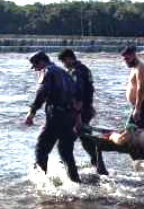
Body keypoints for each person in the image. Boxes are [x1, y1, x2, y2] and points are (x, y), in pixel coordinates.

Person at [24, 51, 81, 183]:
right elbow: (77, 97)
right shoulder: (65, 73)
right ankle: (76, 182)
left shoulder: (47, 71)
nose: (36, 69)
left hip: (56, 116)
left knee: (41, 149)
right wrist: (77, 118)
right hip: (69, 117)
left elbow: (42, 93)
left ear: (42, 62)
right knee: (66, 152)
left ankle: (41, 182)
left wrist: (31, 112)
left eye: (36, 66)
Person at [58, 49, 107, 175]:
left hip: (79, 111)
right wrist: (90, 105)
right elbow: (90, 89)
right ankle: (99, 166)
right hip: (85, 109)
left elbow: (78, 95)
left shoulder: (76, 72)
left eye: (64, 61)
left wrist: (78, 116)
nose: (64, 64)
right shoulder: (85, 69)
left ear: (69, 58)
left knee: (66, 142)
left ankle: (69, 172)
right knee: (86, 139)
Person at [121, 45, 144, 130]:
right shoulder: (134, 68)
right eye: (124, 59)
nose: (125, 61)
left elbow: (140, 89)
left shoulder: (140, 68)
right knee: (138, 130)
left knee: (130, 129)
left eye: (127, 59)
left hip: (142, 105)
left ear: (133, 55)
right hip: (138, 105)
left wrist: (137, 109)